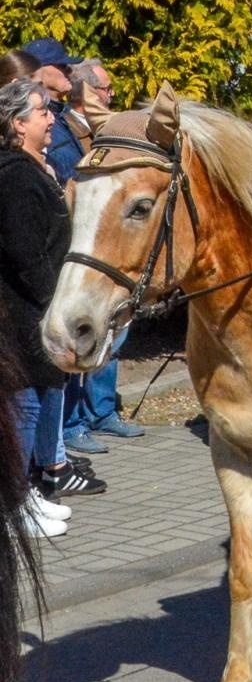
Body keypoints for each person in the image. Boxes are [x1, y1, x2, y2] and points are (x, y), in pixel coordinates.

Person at [1, 80, 104, 539]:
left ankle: (29, 491)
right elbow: (25, 255)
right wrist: (54, 303)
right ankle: (15, 499)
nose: (51, 118)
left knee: (41, 397)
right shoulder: (15, 176)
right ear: (17, 123)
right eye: (42, 111)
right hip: (26, 310)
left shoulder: (34, 166)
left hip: (42, 305)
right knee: (24, 401)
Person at [57, 59, 144, 455]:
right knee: (80, 337)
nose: (111, 95)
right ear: (87, 94)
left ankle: (103, 411)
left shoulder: (103, 133)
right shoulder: (63, 135)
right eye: (105, 89)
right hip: (79, 251)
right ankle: (74, 423)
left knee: (114, 334)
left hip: (107, 250)